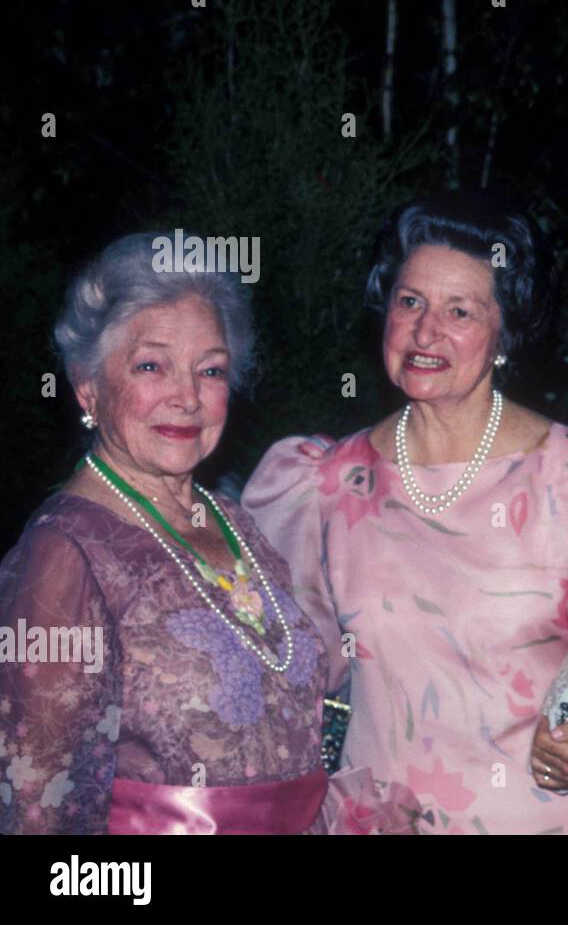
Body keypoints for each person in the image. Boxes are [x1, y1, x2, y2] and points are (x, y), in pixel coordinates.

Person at [243, 193, 568, 834]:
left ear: (505, 331)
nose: (426, 332)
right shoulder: (323, 484)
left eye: (461, 311)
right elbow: (281, 678)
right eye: (410, 301)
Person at [0, 233, 328, 834]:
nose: (186, 397)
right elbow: (35, 810)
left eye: (211, 370)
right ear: (88, 386)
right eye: (152, 366)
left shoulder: (235, 522)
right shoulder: (66, 551)